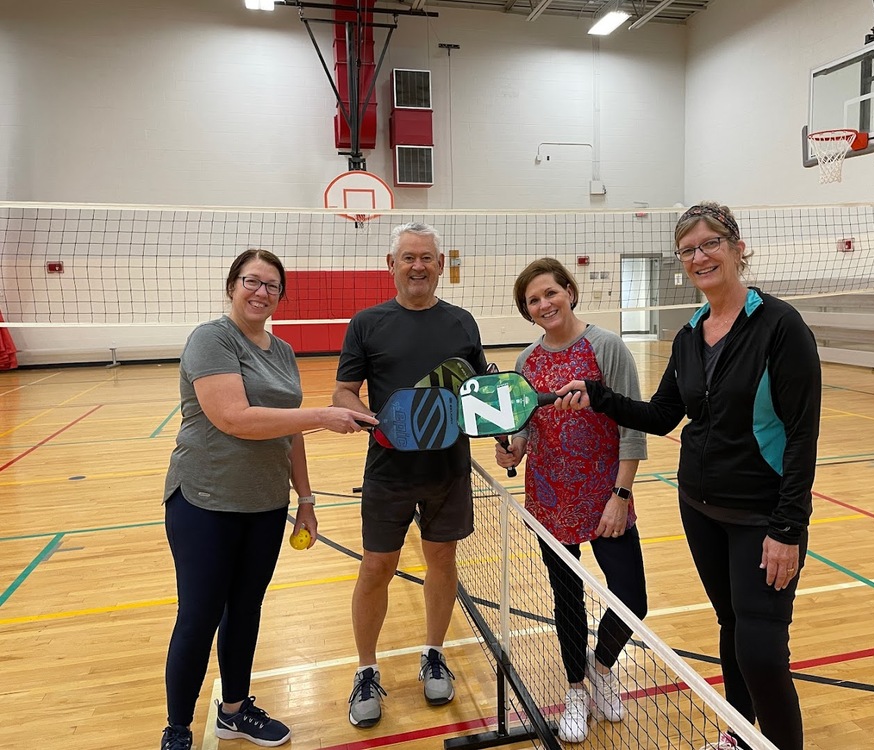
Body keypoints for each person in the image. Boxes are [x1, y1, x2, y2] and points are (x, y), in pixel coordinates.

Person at [555, 203, 821, 750]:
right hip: (700, 508)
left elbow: (802, 434)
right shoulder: (689, 335)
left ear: (737, 246)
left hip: (761, 516)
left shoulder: (780, 327)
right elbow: (662, 415)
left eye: (710, 243)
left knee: (763, 651)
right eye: (688, 250)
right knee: (731, 629)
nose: (700, 256)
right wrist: (601, 398)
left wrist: (788, 527)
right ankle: (740, 736)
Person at [160, 249, 375, 750]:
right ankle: (177, 729)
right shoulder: (211, 339)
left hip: (264, 504)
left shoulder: (281, 350)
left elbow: (287, 430)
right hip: (205, 501)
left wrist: (305, 498)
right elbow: (233, 417)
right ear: (232, 285)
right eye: (251, 282)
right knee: (199, 615)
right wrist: (323, 415)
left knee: (247, 608)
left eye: (272, 286)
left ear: (280, 295)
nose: (261, 293)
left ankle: (235, 709)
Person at [332, 222, 487, 729]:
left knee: (442, 560)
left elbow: (478, 390)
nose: (417, 266)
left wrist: (506, 430)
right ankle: (366, 669)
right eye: (407, 258)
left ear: (441, 264)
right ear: (390, 264)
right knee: (377, 566)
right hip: (388, 470)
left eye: (426, 257)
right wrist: (358, 414)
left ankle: (434, 653)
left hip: (448, 468)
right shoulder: (367, 323)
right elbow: (344, 391)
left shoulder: (463, 322)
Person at [494, 258, 648, 744]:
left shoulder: (606, 347)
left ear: (569, 291)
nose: (543, 305)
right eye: (532, 301)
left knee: (631, 598)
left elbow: (632, 426)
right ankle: (577, 690)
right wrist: (514, 446)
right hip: (549, 495)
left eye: (549, 293)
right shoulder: (525, 363)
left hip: (605, 494)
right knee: (567, 598)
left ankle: (601, 668)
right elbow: (525, 427)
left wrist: (621, 494)